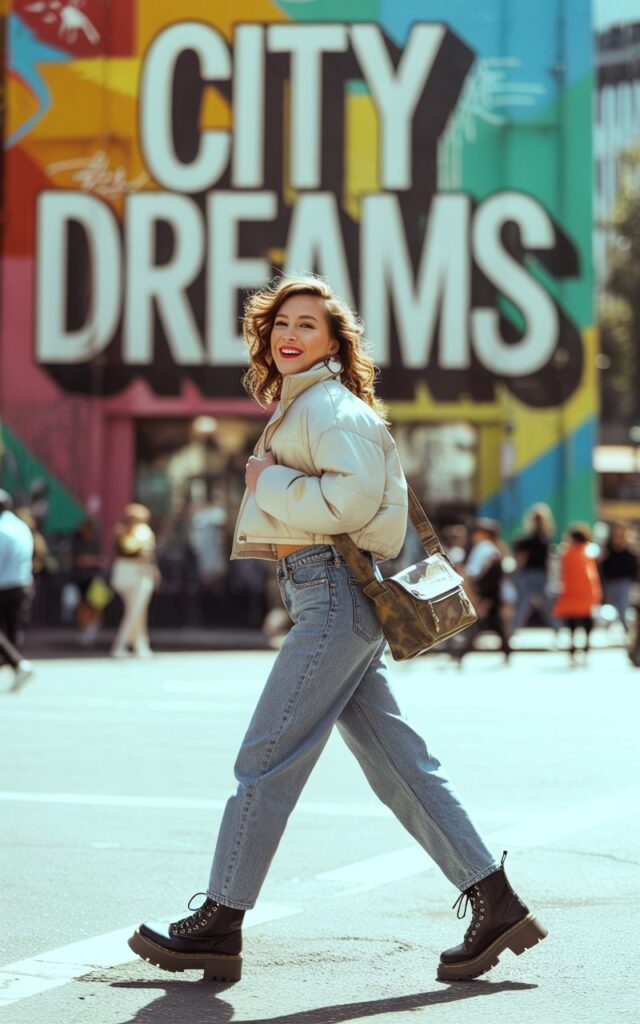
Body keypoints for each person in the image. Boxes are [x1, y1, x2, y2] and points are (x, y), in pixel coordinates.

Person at [128, 275, 546, 984]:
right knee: (401, 768)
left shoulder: (327, 407)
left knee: (266, 758)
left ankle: (221, 918)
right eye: (279, 325)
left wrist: (266, 482)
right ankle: (495, 901)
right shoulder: (308, 406)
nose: (288, 336)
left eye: (306, 326)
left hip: (332, 600)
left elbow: (350, 502)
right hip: (328, 597)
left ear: (332, 342)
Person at [454, 518, 512, 664]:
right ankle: (506, 652)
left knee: (480, 626)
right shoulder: (493, 548)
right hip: (491, 593)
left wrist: (482, 597)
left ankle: (462, 654)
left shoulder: (484, 548)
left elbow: (480, 572)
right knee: (492, 626)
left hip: (487, 594)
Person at [110, 503, 158, 658]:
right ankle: (121, 644)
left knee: (138, 610)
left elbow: (149, 555)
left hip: (141, 574)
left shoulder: (144, 532)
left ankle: (140, 645)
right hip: (128, 574)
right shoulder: (124, 532)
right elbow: (127, 549)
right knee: (134, 611)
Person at [0, 489, 35, 692]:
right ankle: (18, 666)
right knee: (12, 632)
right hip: (23, 583)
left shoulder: (2, 529)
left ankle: (17, 664)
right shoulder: (19, 525)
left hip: (5, 584)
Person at [553, 524, 602, 665]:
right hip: (586, 592)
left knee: (572, 623)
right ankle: (585, 647)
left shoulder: (567, 553)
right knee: (586, 622)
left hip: (570, 592)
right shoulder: (589, 552)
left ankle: (573, 649)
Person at [512, 503, 558, 633]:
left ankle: (512, 634)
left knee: (522, 606)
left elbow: (521, 560)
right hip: (539, 575)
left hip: (528, 575)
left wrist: (517, 574)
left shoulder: (526, 539)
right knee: (547, 607)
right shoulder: (545, 540)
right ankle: (558, 632)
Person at [71, 517, 108, 647]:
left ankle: (91, 632)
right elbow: (78, 559)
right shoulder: (76, 540)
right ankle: (84, 631)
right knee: (83, 606)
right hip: (80, 579)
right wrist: (94, 560)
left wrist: (91, 560)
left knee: (96, 605)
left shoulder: (96, 541)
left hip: (95, 579)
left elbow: (100, 560)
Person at [599, 523, 638, 634]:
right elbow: (603, 566)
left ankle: (625, 628)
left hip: (624, 581)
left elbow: (632, 567)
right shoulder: (608, 549)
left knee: (623, 605)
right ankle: (611, 627)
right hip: (611, 581)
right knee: (612, 606)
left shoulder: (629, 550)